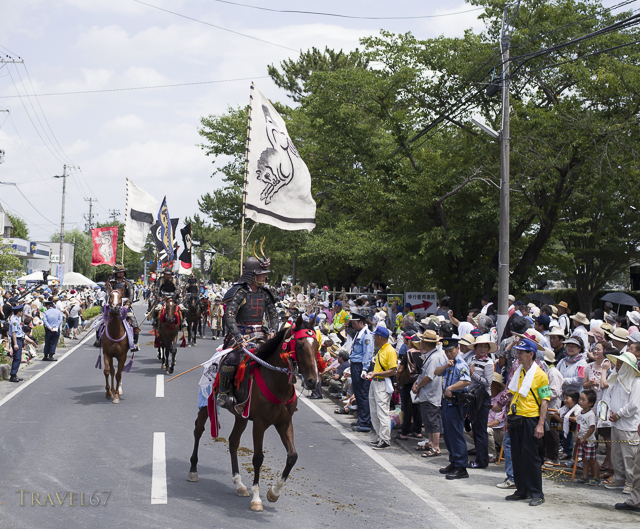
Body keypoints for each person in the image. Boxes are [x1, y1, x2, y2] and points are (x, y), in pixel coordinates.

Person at [216, 252, 278, 409]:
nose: (264, 277)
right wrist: (238, 337)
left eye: (265, 274)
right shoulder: (239, 292)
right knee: (229, 360)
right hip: (242, 334)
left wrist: (273, 330)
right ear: (252, 275)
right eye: (261, 274)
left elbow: (273, 315)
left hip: (262, 334)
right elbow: (229, 316)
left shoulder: (266, 293)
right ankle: (224, 392)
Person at [505, 338, 550, 506]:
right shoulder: (520, 371)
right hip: (516, 418)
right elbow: (513, 395)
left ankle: (537, 493)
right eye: (517, 352)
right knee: (517, 456)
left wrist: (540, 424)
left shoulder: (541, 374)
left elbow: (545, 400)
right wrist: (507, 419)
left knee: (531, 457)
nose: (518, 355)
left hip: (531, 419)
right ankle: (522, 490)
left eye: (521, 353)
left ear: (531, 354)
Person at [435, 337, 471, 480]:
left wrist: (450, 387)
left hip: (457, 402)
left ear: (457, 349)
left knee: (456, 434)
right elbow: (436, 372)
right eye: (446, 352)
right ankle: (454, 461)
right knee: (448, 434)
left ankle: (461, 466)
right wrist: (445, 366)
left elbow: (466, 381)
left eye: (451, 351)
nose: (449, 354)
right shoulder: (450, 363)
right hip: (447, 402)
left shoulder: (461, 364)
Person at [604, 349, 640, 494]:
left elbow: (634, 405)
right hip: (616, 423)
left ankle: (631, 483)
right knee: (616, 454)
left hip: (629, 426)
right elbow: (608, 397)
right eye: (617, 362)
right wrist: (610, 412)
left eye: (620, 363)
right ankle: (619, 478)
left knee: (629, 456)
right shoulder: (616, 379)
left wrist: (619, 414)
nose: (617, 365)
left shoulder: (636, 382)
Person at [413, 330, 446, 457]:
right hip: (429, 393)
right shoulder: (433, 355)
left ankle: (435, 447)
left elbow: (429, 377)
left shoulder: (434, 357)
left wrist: (418, 386)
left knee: (432, 421)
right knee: (429, 420)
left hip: (431, 393)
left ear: (425, 343)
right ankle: (431, 443)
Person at [366, 326, 397, 450]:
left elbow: (392, 371)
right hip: (375, 381)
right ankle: (379, 436)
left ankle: (385, 439)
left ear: (379, 337)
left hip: (382, 383)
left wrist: (376, 374)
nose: (373, 338)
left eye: (375, 336)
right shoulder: (380, 350)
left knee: (382, 412)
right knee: (374, 411)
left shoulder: (389, 351)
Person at [468, 334, 496, 469]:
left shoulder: (489, 363)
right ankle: (479, 458)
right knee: (475, 428)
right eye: (481, 346)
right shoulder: (472, 359)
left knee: (480, 430)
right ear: (476, 347)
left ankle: (482, 460)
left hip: (483, 398)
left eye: (485, 347)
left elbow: (487, 382)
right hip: (473, 397)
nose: (483, 349)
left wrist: (473, 374)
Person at [349, 312, 374, 432]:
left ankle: (364, 422)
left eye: (354, 323)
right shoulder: (359, 333)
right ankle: (361, 419)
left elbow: (368, 353)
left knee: (363, 394)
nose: (353, 326)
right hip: (356, 365)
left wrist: (365, 368)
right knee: (358, 394)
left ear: (361, 323)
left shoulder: (367, 335)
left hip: (361, 366)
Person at [106, 264, 140, 351]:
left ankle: (135, 343)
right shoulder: (111, 284)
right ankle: (99, 340)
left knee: (134, 323)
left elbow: (131, 296)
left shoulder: (128, 283)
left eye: (122, 272)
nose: (121, 274)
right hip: (112, 305)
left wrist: (127, 305)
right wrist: (109, 303)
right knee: (101, 322)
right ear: (116, 274)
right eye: (119, 272)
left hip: (124, 306)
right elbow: (107, 295)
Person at [396, 333, 423, 440]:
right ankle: (418, 431)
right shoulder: (423, 354)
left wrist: (398, 380)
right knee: (417, 407)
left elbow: (400, 369)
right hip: (419, 382)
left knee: (407, 407)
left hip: (408, 383)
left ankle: (404, 432)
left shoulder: (408, 354)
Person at [574, 389, 600, 485]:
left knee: (592, 460)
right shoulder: (580, 412)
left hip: (589, 441)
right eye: (580, 399)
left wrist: (584, 437)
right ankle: (585, 477)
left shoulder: (590, 415)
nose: (580, 401)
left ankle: (596, 477)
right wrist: (576, 435)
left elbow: (592, 428)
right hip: (582, 441)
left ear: (591, 403)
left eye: (583, 400)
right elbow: (578, 425)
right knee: (584, 459)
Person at [8, 305, 35, 382]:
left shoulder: (17, 319)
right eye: (21, 311)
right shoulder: (14, 321)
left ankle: (14, 374)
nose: (22, 313)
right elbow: (14, 333)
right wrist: (16, 344)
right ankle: (13, 375)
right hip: (17, 340)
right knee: (17, 358)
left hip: (19, 339)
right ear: (19, 312)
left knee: (18, 357)